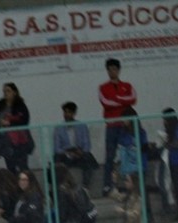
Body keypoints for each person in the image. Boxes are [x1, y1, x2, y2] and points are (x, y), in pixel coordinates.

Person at [99, 58, 137, 196]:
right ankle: (107, 186)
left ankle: (130, 185)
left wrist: (116, 99)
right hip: (111, 126)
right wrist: (122, 101)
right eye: (109, 70)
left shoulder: (127, 85)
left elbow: (133, 99)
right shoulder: (103, 88)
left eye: (114, 69)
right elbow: (106, 103)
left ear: (119, 70)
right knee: (110, 157)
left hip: (126, 127)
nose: (112, 72)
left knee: (127, 155)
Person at [53, 102, 99, 188]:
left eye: (69, 112)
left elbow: (87, 145)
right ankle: (58, 188)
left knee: (88, 159)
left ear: (74, 113)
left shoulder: (82, 126)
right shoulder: (58, 128)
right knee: (56, 158)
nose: (66, 115)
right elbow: (57, 148)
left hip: (79, 154)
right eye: (65, 112)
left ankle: (85, 187)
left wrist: (80, 152)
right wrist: (68, 152)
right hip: (65, 155)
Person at [0, 83, 34, 174]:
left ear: (14, 92)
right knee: (10, 166)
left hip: (20, 140)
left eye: (8, 91)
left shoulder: (20, 105)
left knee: (23, 166)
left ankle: (25, 181)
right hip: (5, 140)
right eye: (4, 91)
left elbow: (25, 121)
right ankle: (13, 181)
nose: (5, 93)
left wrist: (10, 123)